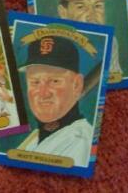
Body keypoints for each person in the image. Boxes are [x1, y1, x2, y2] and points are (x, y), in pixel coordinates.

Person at [17, 36, 93, 167]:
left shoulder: (80, 141)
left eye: (54, 81)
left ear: (77, 85)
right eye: (35, 82)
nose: (43, 93)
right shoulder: (34, 139)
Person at [57, 0, 123, 77]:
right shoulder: (56, 46)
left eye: (98, 5)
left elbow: (114, 80)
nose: (91, 16)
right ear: (63, 13)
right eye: (80, 7)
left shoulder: (110, 41)